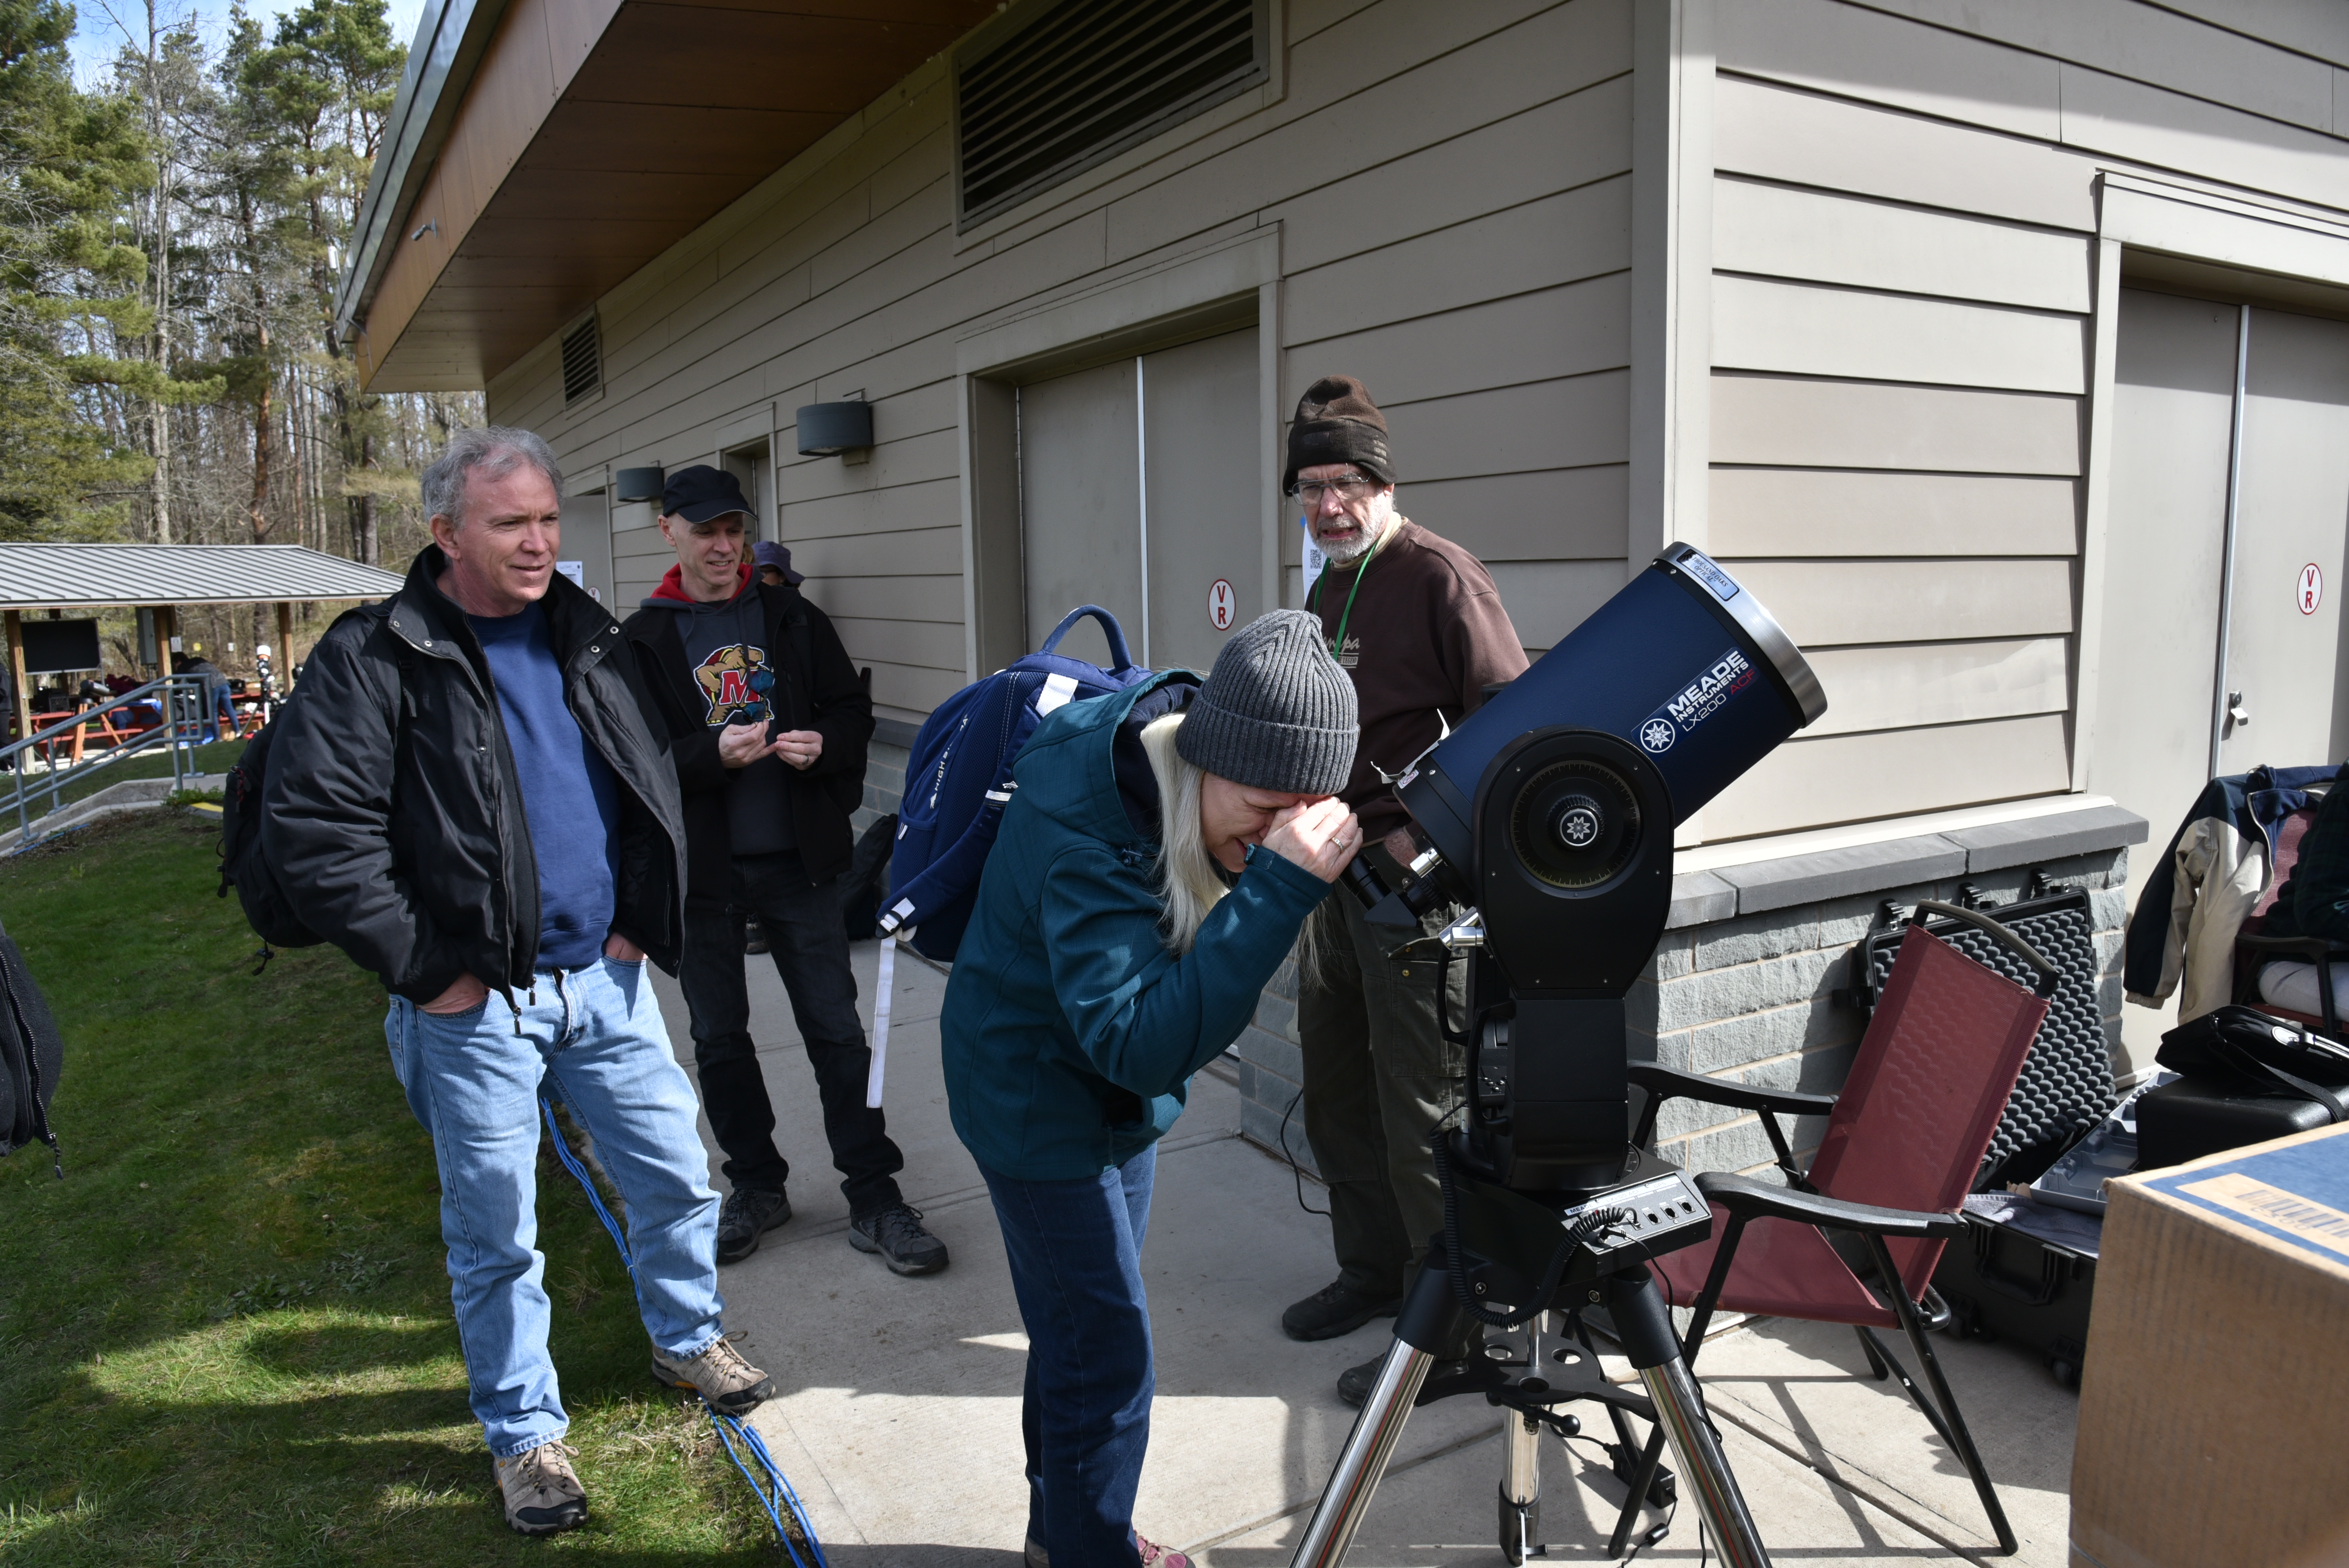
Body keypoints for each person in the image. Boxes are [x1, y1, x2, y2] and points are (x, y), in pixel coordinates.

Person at [264, 427, 772, 1536]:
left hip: (609, 985)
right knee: (497, 1235)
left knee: (682, 1177)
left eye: (548, 518)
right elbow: (317, 834)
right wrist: (432, 973)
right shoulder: (376, 655)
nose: (540, 542)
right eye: (511, 524)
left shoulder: (588, 636)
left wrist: (640, 920)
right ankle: (525, 1434)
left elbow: (647, 780)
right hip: (475, 1005)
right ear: (447, 531)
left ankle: (686, 1342)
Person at [945, 610, 1362, 1568]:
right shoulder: (1094, 829)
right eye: (1264, 808)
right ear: (1209, 758)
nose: (1277, 838)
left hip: (1095, 1098)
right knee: (1108, 1365)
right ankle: (1093, 1549)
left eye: (1303, 814)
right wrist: (1276, 893)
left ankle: (1065, 1532)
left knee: (1075, 1337)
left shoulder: (1171, 753)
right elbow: (1135, 1042)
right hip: (1039, 1103)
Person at [1277, 375, 1531, 1406]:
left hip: (1410, 891)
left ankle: (1455, 1329)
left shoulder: (1439, 575)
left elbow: (1512, 727)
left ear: (1384, 480)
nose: (1328, 506)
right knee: (1337, 1090)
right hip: (1328, 880)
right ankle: (1374, 1274)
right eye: (1308, 487)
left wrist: (1427, 846)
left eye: (1345, 483)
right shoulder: (1327, 587)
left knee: (1420, 1109)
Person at [624, 466, 947, 1275]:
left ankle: (873, 1194)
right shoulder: (644, 639)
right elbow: (630, 760)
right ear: (669, 532)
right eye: (705, 532)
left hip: (798, 865)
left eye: (733, 529)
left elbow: (850, 711)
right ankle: (757, 1185)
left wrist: (825, 747)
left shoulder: (789, 615)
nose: (724, 546)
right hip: (701, 875)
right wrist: (709, 756)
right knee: (719, 1037)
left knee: (837, 1031)